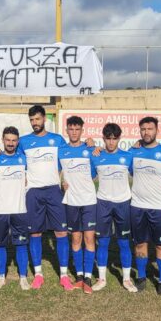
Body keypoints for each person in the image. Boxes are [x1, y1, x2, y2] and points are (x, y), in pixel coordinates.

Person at [19, 105, 70, 290]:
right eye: (32, 120)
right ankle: (38, 274)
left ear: (44, 119)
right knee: (35, 233)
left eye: (37, 119)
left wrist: (89, 145)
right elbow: (12, 159)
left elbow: (70, 158)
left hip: (54, 191)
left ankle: (64, 275)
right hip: (33, 192)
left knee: (61, 232)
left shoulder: (57, 140)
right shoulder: (23, 142)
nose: (34, 123)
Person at [129, 117, 161, 296]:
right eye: (143, 129)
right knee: (140, 244)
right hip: (137, 206)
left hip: (159, 208)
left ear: (157, 130)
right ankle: (142, 277)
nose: (146, 132)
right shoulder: (132, 152)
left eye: (150, 129)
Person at [91, 123, 134, 292]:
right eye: (108, 139)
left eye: (114, 139)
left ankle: (126, 279)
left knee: (124, 242)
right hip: (103, 203)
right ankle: (101, 279)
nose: (111, 142)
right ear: (103, 139)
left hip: (123, 203)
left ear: (119, 139)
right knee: (103, 241)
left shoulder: (128, 156)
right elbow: (88, 177)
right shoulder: (96, 156)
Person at [59, 115, 98, 294]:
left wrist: (96, 146)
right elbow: (55, 173)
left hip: (89, 200)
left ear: (82, 130)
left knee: (89, 238)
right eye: (71, 129)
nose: (74, 132)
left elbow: (101, 165)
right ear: (66, 130)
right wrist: (61, 183)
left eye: (77, 129)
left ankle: (89, 276)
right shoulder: (61, 150)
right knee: (75, 238)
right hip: (71, 201)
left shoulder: (90, 149)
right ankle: (80, 276)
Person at [0, 127, 31, 290]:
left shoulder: (24, 159)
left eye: (14, 140)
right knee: (0, 244)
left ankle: (23, 277)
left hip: (19, 209)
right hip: (0, 209)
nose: (10, 143)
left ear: (18, 141)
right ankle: (1, 276)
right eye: (7, 140)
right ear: (2, 139)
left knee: (21, 244)